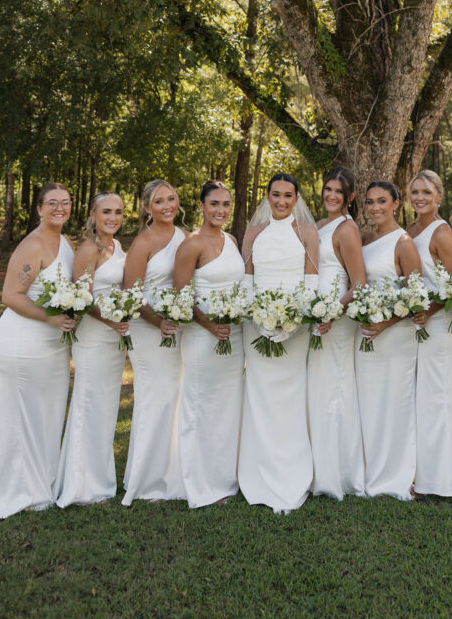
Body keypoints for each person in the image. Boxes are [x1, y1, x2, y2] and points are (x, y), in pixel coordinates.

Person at [0, 182, 75, 519]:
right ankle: (17, 490)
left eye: (66, 203)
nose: (60, 208)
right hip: (25, 341)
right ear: (39, 208)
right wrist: (51, 317)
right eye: (53, 203)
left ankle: (41, 482)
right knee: (24, 416)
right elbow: (11, 296)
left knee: (45, 414)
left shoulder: (65, 241)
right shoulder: (32, 245)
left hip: (52, 344)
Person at [238, 173, 318, 513]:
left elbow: (312, 282)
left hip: (296, 328)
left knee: (290, 396)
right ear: (267, 197)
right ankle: (257, 472)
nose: (282, 201)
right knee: (260, 394)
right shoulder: (254, 232)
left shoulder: (308, 233)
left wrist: (293, 320)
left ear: (297, 198)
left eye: (288, 195)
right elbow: (246, 281)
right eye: (276, 195)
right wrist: (259, 318)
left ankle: (292, 472)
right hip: (256, 327)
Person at [172, 181, 245, 507]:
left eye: (226, 204)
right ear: (201, 206)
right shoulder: (191, 245)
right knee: (200, 406)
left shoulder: (231, 240)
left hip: (233, 336)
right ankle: (200, 485)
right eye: (214, 204)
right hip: (203, 337)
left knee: (227, 408)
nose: (220, 210)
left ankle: (224, 477)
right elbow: (181, 298)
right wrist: (209, 325)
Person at [56, 191, 130, 507]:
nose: (113, 217)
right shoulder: (88, 248)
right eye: (107, 212)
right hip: (95, 336)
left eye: (119, 212)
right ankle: (81, 486)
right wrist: (113, 321)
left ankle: (100, 480)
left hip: (114, 339)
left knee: (105, 406)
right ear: (93, 214)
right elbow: (82, 298)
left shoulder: (116, 246)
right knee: (89, 403)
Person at [122, 179, 187, 505]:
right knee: (155, 398)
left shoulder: (184, 237)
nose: (167, 206)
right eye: (159, 201)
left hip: (175, 329)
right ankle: (147, 482)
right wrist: (158, 320)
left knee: (174, 397)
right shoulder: (143, 242)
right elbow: (130, 295)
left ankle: (171, 472)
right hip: (147, 329)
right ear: (147, 208)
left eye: (171, 199)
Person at [356, 181, 422, 499]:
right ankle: (367, 468)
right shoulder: (365, 239)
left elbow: (416, 296)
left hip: (395, 336)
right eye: (370, 202)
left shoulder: (404, 242)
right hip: (365, 332)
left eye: (382, 201)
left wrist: (386, 323)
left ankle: (396, 474)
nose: (375, 208)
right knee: (368, 403)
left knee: (394, 404)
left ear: (396, 203)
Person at [307, 167, 366, 499]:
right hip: (317, 318)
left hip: (335, 320)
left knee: (336, 390)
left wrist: (332, 313)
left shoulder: (346, 230)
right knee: (319, 389)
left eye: (338, 192)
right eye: (327, 189)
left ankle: (339, 473)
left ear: (350, 197)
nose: (331, 196)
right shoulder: (319, 225)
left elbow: (358, 284)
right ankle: (317, 467)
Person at [407, 169, 452, 498]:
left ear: (440, 196)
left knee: (438, 399)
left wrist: (428, 310)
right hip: (415, 323)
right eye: (415, 192)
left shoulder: (441, 232)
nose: (420, 198)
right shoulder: (411, 228)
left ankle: (441, 480)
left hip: (438, 323)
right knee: (419, 399)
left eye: (427, 192)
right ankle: (418, 471)